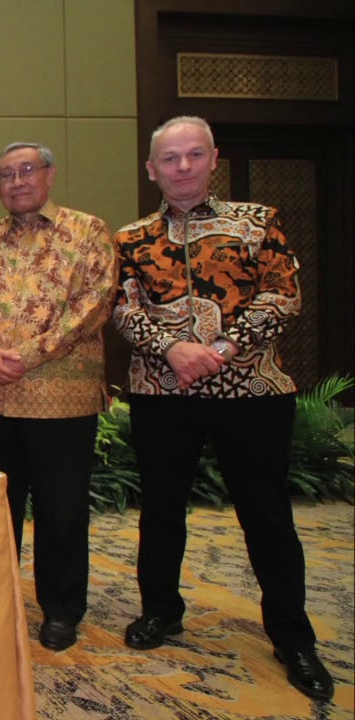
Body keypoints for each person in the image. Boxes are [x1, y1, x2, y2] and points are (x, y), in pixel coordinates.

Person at [113, 116, 333, 701]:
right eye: (170, 159)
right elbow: (122, 309)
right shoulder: (131, 238)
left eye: (193, 156)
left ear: (214, 159)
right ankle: (161, 610)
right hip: (162, 394)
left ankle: (293, 636)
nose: (182, 167)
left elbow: (284, 294)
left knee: (265, 516)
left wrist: (220, 348)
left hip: (253, 392)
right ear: (151, 169)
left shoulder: (258, 222)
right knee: (161, 511)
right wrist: (170, 348)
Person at [0, 142, 117, 651]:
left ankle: (61, 608)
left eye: (27, 170)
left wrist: (24, 354)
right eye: (5, 175)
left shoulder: (88, 232)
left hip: (60, 398)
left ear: (49, 174)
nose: (17, 181)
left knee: (60, 510)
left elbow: (94, 304)